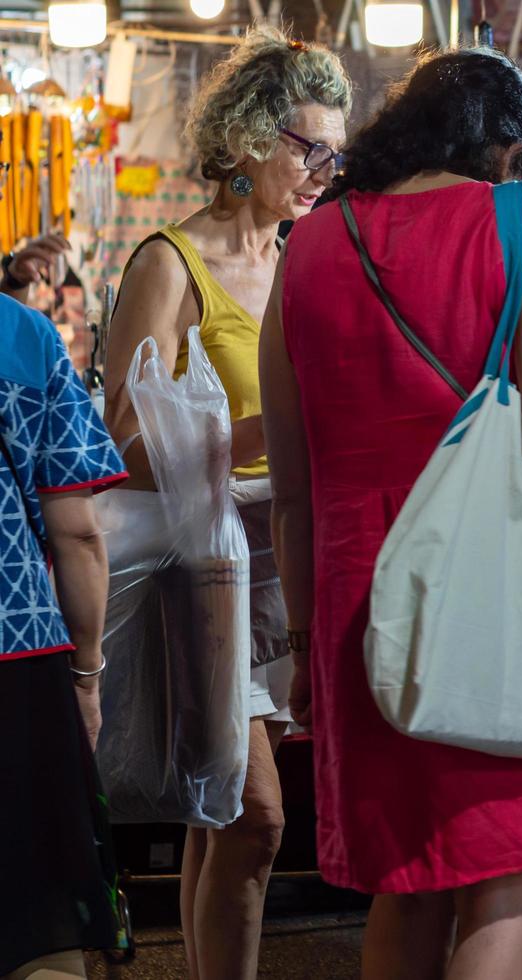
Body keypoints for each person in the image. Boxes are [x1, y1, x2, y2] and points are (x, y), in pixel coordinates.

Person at [260, 47, 522, 980]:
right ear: (507, 149)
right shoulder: (514, 223)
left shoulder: (310, 245)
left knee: (409, 878)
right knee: (506, 878)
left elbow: (292, 476)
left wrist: (310, 635)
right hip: (498, 593)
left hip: (362, 599)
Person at [102, 30, 350, 980]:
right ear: (248, 137)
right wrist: (266, 426)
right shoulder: (170, 262)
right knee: (258, 816)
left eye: (336, 153)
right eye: (308, 147)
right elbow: (124, 444)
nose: (323, 171)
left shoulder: (304, 257)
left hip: (282, 564)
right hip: (204, 572)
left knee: (224, 814)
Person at [0, 293, 126, 979]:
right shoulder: (22, 334)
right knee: (41, 921)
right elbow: (76, 530)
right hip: (18, 650)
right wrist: (87, 673)